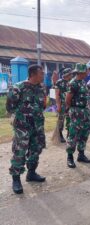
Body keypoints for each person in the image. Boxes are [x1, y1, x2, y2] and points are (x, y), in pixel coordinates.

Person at [6, 64, 46, 194]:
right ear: (33, 74)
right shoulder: (18, 88)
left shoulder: (41, 88)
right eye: (41, 73)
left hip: (38, 125)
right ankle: (16, 180)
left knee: (36, 149)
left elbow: (42, 105)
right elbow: (10, 107)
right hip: (22, 127)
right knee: (20, 151)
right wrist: (21, 118)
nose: (43, 76)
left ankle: (31, 173)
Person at [65, 63, 90, 169]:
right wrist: (71, 111)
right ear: (81, 72)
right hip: (76, 112)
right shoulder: (73, 83)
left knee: (84, 134)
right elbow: (68, 99)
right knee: (73, 135)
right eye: (86, 71)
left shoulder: (82, 82)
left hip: (84, 112)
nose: (87, 73)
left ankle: (81, 154)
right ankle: (70, 157)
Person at [54, 68, 73, 143]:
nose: (71, 75)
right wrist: (58, 105)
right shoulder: (59, 82)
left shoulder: (71, 82)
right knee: (61, 120)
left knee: (70, 119)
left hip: (69, 104)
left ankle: (69, 133)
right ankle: (60, 134)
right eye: (70, 74)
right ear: (67, 74)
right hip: (62, 104)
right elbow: (57, 95)